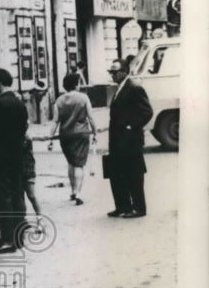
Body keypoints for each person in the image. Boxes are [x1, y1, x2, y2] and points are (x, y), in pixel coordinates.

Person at [0, 68, 28, 252]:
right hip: (16, 156)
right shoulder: (19, 103)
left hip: (1, 158)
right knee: (17, 194)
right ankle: (18, 237)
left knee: (3, 198)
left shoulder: (0, 104)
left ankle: (7, 239)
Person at [106, 57, 153, 218]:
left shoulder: (134, 88)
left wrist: (131, 126)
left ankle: (139, 208)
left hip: (130, 140)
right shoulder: (119, 88)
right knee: (118, 174)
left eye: (115, 71)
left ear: (125, 72)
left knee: (134, 174)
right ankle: (122, 206)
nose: (112, 74)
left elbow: (147, 112)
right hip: (118, 141)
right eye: (110, 71)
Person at [47, 73, 98, 206]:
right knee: (79, 164)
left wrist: (50, 137)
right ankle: (79, 194)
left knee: (71, 162)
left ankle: (72, 190)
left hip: (65, 135)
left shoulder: (59, 100)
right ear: (76, 84)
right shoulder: (83, 98)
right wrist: (95, 132)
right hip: (81, 133)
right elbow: (90, 117)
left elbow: (55, 121)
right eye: (79, 83)